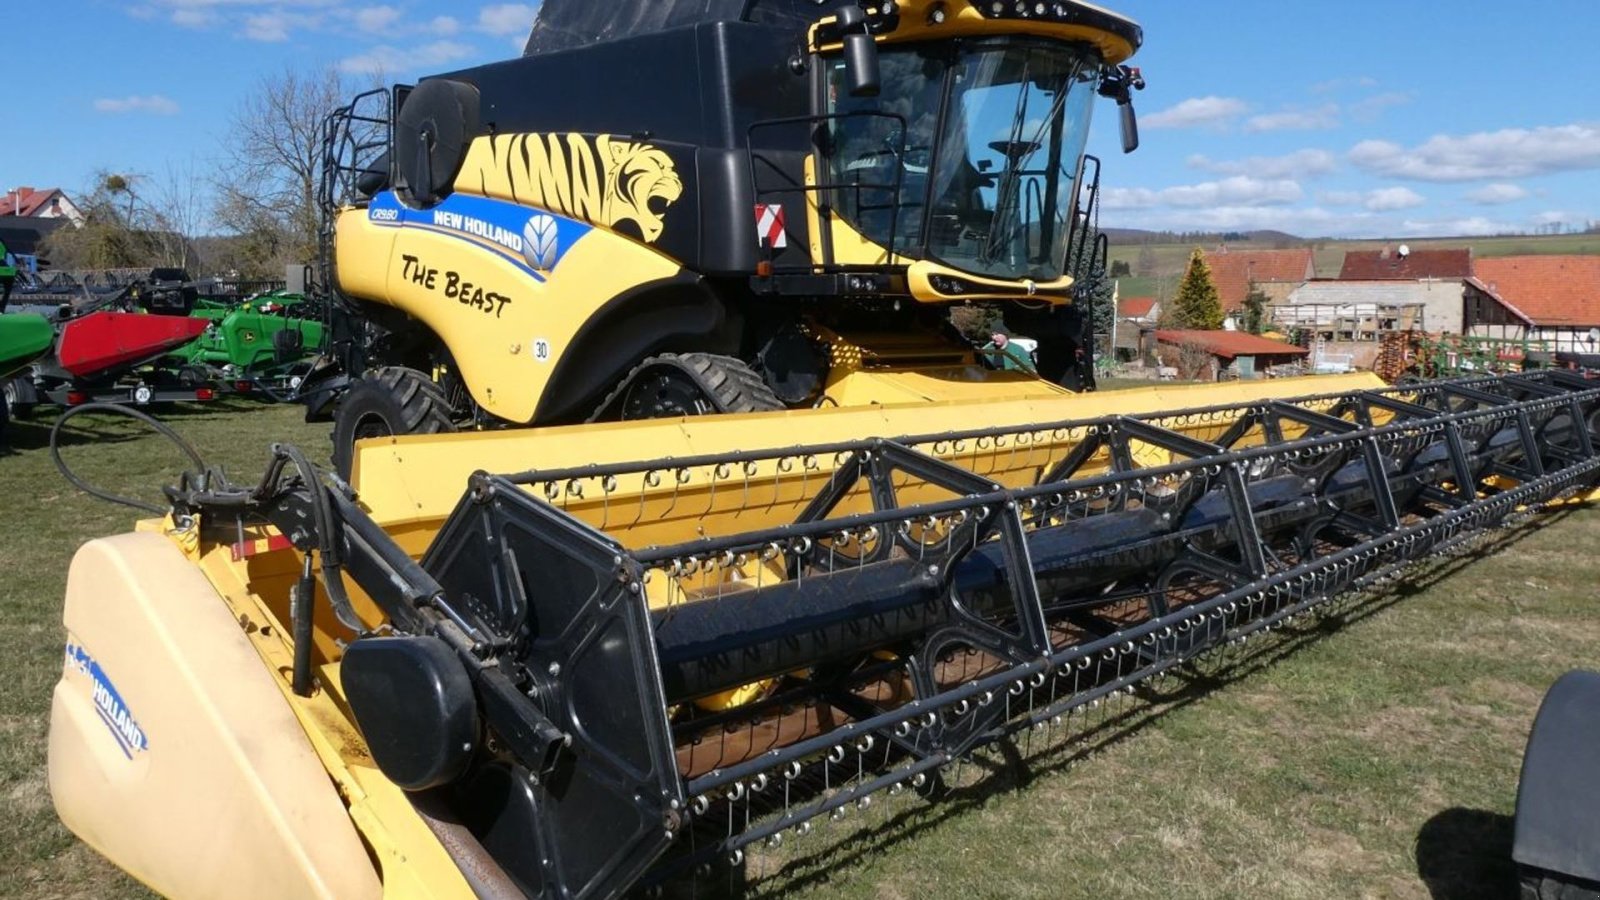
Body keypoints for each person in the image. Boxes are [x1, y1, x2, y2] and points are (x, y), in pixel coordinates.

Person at [0, 238, 15, 313]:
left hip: (3, 267)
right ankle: (2, 308)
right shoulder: (1, 241)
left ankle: (1, 308)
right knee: (7, 289)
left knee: (7, 289)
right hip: (5, 268)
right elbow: (9, 250)